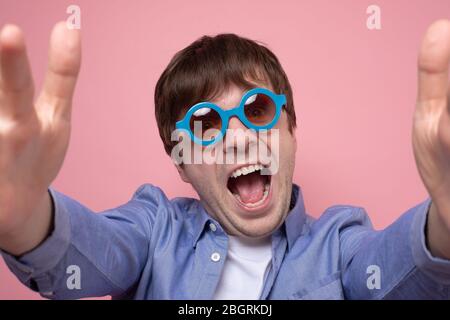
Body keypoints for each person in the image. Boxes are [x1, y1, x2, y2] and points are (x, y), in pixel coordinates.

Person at [0, 19, 450, 300]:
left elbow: (391, 276)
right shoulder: (155, 228)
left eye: (257, 110)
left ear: (292, 129)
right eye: (205, 123)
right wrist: (25, 219)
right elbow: (91, 257)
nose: (237, 138)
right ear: (181, 161)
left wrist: (445, 226)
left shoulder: (338, 241)